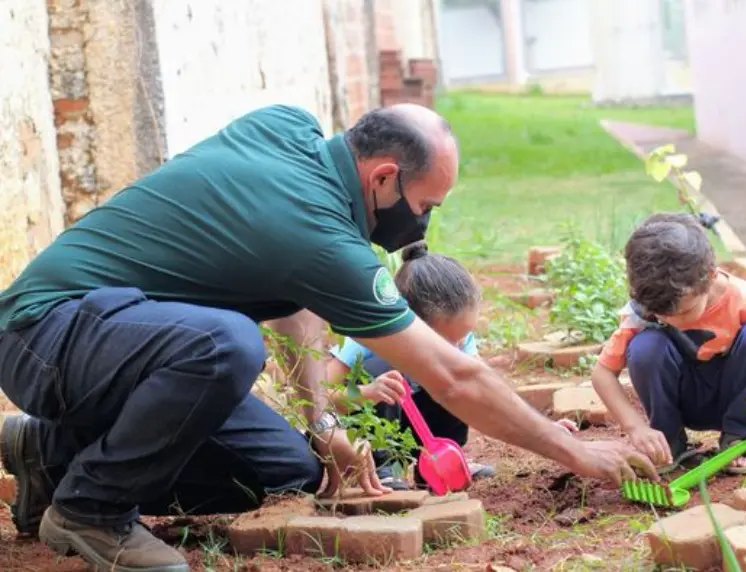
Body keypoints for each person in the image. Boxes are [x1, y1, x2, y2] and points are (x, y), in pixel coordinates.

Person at [0, 102, 656, 572]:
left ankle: (51, 455)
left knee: (290, 474)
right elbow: (452, 376)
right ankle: (92, 507)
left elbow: (293, 294)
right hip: (44, 332)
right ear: (382, 177)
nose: (421, 228)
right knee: (227, 345)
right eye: (425, 205)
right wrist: (576, 456)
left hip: (123, 347)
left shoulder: (289, 129)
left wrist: (322, 425)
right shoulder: (319, 237)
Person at [592, 212, 746, 475]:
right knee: (645, 347)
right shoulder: (646, 308)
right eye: (662, 315)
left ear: (710, 276)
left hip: (739, 395)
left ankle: (738, 439)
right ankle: (668, 442)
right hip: (685, 398)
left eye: (684, 312)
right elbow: (602, 372)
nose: (674, 321)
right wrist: (635, 427)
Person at [327, 240, 495, 490]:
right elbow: (322, 398)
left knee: (460, 381)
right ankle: (384, 467)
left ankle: (440, 459)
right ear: (408, 324)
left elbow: (486, 389)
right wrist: (366, 394)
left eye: (462, 338)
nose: (456, 348)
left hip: (418, 424)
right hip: (369, 431)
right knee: (388, 382)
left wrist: (537, 428)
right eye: (447, 341)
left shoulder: (458, 338)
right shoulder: (366, 338)